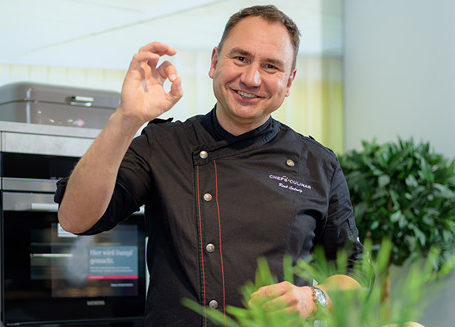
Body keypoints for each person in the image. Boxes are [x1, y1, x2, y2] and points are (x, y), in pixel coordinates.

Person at [56, 4, 363, 327]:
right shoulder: (163, 144)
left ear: (288, 82)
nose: (251, 78)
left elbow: (356, 274)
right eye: (240, 58)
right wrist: (126, 118)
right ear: (215, 62)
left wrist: (312, 298)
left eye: (271, 66)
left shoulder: (317, 163)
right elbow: (75, 219)